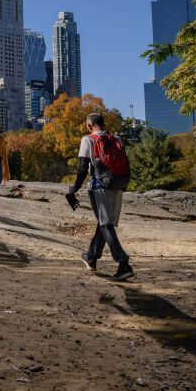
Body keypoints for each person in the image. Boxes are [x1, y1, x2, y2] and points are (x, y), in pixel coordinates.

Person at [65, 112, 135, 281]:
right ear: (103, 124)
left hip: (99, 186)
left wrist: (73, 189)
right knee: (104, 224)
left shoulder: (87, 139)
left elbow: (83, 168)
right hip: (118, 184)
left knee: (105, 224)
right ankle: (91, 256)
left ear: (90, 126)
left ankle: (123, 262)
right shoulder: (116, 138)